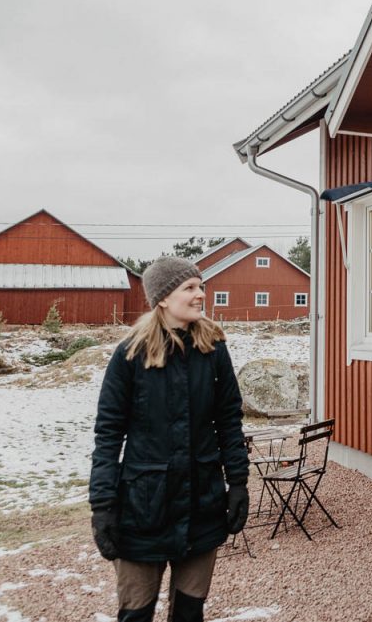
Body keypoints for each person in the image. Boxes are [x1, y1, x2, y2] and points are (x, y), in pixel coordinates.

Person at [89, 257, 251, 622]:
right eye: (189, 288)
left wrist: (238, 483)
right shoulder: (130, 354)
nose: (200, 295)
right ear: (162, 298)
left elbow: (229, 421)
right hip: (143, 508)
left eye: (201, 287)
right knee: (136, 614)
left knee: (190, 614)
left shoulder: (213, 350)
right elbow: (108, 434)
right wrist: (103, 506)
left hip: (202, 502)